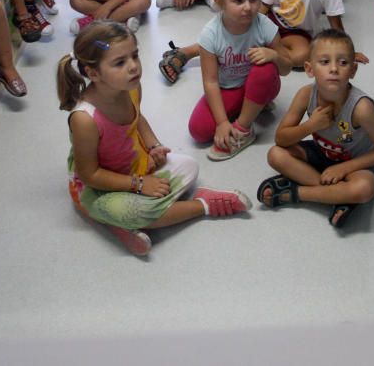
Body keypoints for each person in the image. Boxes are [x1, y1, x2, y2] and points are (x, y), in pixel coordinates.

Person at [57, 21, 252, 257]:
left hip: (134, 168)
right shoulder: (84, 119)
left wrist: (154, 146)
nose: (133, 67)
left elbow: (138, 118)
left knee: (190, 166)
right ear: (93, 73)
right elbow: (90, 175)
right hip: (97, 189)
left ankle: (126, 223)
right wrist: (139, 185)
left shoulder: (130, 86)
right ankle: (203, 206)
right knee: (134, 211)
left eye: (135, 56)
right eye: (120, 62)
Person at [258, 29, 374, 228]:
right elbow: (281, 139)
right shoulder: (305, 94)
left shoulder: (361, 108)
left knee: (365, 189)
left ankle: (296, 193)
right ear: (309, 69)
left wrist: (343, 168)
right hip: (321, 153)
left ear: (353, 70)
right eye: (324, 62)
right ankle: (339, 196)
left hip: (355, 164)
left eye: (343, 62)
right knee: (275, 155)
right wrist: (311, 125)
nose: (334, 69)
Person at [188, 0, 292, 159]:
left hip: (262, 83)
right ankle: (253, 107)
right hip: (228, 88)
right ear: (219, 3)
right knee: (198, 131)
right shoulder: (210, 34)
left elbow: (285, 68)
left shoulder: (265, 25)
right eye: (238, 1)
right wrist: (221, 122)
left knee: (265, 69)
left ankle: (244, 129)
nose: (248, 7)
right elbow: (210, 82)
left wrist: (275, 56)